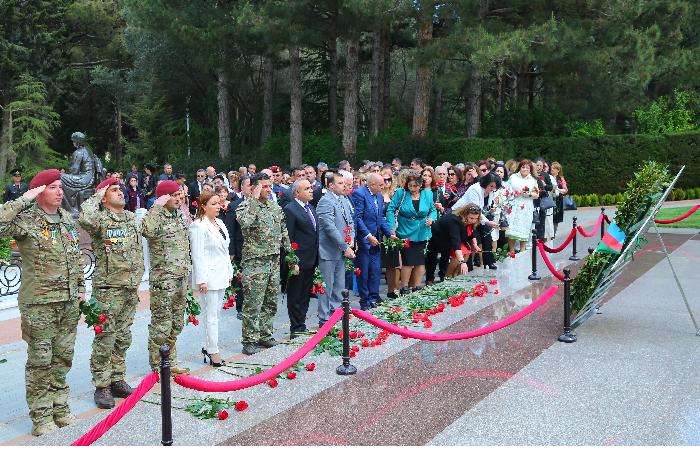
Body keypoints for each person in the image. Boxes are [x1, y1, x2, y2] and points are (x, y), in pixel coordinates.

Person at [0, 170, 85, 436]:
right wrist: (25, 198)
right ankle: (41, 416)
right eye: (53, 187)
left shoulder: (67, 220)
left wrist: (81, 289)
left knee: (63, 358)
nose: (60, 191)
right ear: (39, 192)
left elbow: (76, 258)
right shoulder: (26, 221)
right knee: (41, 361)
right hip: (39, 305)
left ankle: (60, 408)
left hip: (68, 302)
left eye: (61, 187)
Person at [79, 178, 145, 409]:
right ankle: (102, 385)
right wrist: (97, 195)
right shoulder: (99, 219)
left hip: (129, 288)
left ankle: (117, 378)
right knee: (105, 338)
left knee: (123, 337)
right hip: (108, 289)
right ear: (104, 197)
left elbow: (135, 251)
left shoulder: (129, 218)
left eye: (121, 189)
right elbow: (85, 218)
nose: (121, 193)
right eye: (114, 190)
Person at [236, 173, 291, 355]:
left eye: (270, 186)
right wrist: (253, 198)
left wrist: (290, 254)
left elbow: (283, 230)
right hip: (255, 262)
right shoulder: (245, 206)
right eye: (264, 186)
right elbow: (246, 222)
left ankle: (265, 335)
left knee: (270, 302)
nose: (269, 190)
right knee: (253, 304)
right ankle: (250, 340)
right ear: (254, 188)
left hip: (273, 261)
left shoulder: (274, 207)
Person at [141, 180, 192, 374]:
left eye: (180, 195)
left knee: (177, 322)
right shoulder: (155, 216)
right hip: (164, 280)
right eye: (174, 195)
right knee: (162, 324)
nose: (179, 198)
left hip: (180, 277)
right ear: (163, 197)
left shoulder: (179, 215)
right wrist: (156, 206)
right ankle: (158, 365)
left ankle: (170, 360)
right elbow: (147, 231)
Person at [189, 191, 233, 367]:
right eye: (214, 204)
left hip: (221, 273)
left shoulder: (220, 222)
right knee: (210, 315)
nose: (218, 206)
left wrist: (229, 272)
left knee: (216, 314)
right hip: (208, 277)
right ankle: (212, 350)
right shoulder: (198, 226)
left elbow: (224, 251)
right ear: (203, 205)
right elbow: (197, 255)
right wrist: (201, 280)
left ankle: (210, 345)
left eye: (219, 203)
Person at [352, 173, 396, 310]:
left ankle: (374, 296)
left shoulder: (379, 196)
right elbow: (358, 218)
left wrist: (389, 234)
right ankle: (364, 300)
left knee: (375, 270)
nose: (383, 187)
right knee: (364, 271)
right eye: (381, 184)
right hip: (365, 240)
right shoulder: (360, 194)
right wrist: (368, 235)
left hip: (376, 240)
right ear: (372, 185)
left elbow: (380, 217)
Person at [387, 173, 437, 294]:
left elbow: (432, 210)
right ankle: (404, 287)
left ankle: (416, 286)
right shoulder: (401, 193)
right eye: (410, 186)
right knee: (408, 260)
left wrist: (431, 218)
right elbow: (390, 209)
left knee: (420, 261)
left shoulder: (428, 194)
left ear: (420, 185)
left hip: (422, 231)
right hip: (405, 230)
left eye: (415, 186)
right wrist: (392, 227)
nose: (413, 188)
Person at [316, 173, 355, 326]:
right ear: (330, 185)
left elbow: (350, 221)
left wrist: (351, 238)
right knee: (327, 286)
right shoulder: (325, 201)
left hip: (342, 249)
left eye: (344, 183)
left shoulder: (344, 200)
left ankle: (336, 314)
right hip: (328, 250)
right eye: (340, 183)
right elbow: (329, 227)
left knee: (339, 285)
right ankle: (324, 319)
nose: (344, 185)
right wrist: (344, 246)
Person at [283, 179, 319, 336]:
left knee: (305, 293)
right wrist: (292, 261)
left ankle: (301, 323)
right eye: (307, 188)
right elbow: (288, 237)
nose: (311, 190)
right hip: (298, 260)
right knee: (295, 294)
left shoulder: (310, 207)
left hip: (311, 258)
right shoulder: (290, 209)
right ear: (297, 193)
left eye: (311, 187)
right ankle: (295, 327)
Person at [453, 172, 501, 269]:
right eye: (491, 186)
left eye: (494, 187)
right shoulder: (475, 189)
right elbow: (476, 208)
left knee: (487, 234)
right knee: (469, 236)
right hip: (463, 215)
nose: (492, 189)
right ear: (486, 182)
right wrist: (487, 221)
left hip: (475, 217)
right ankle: (468, 264)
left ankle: (489, 261)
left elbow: (484, 207)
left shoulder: (490, 192)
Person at [224, 176, 252, 320]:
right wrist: (232, 251)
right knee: (241, 279)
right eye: (248, 185)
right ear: (241, 188)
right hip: (241, 249)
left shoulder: (261, 204)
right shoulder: (234, 205)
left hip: (257, 250)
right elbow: (230, 230)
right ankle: (241, 307)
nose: (251, 188)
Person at [429, 204, 483, 278]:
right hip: (439, 237)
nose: (473, 220)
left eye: (476, 218)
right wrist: (462, 262)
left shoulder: (470, 221)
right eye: (471, 218)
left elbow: (472, 233)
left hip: (451, 238)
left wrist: (475, 245)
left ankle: (450, 276)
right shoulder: (455, 220)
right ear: (465, 214)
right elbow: (456, 242)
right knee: (434, 258)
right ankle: (435, 278)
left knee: (461, 252)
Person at [506, 160, 539, 254]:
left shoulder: (533, 180)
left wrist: (527, 194)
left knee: (524, 229)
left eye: (527, 168)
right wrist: (513, 193)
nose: (525, 169)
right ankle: (512, 251)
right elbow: (506, 189)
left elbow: (537, 194)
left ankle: (522, 250)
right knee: (511, 229)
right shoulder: (513, 177)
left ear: (530, 169)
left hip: (526, 207)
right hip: (513, 205)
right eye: (523, 167)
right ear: (519, 168)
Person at [380, 171, 400, 298]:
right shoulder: (376, 195)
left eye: (389, 180)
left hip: (394, 230)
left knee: (394, 262)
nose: (387, 182)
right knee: (385, 262)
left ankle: (392, 289)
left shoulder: (395, 195)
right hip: (380, 231)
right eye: (384, 179)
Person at [533, 158, 554, 240]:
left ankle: (540, 238)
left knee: (541, 220)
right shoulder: (531, 174)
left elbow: (551, 187)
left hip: (541, 200)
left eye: (540, 165)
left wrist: (544, 185)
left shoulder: (545, 175)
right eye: (537, 165)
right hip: (532, 199)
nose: (538, 167)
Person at [550, 161, 568, 236]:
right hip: (550, 199)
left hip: (558, 201)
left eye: (554, 168)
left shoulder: (561, 179)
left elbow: (565, 190)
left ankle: (553, 234)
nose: (552, 169)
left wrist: (558, 190)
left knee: (556, 218)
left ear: (558, 170)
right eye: (551, 168)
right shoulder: (548, 177)